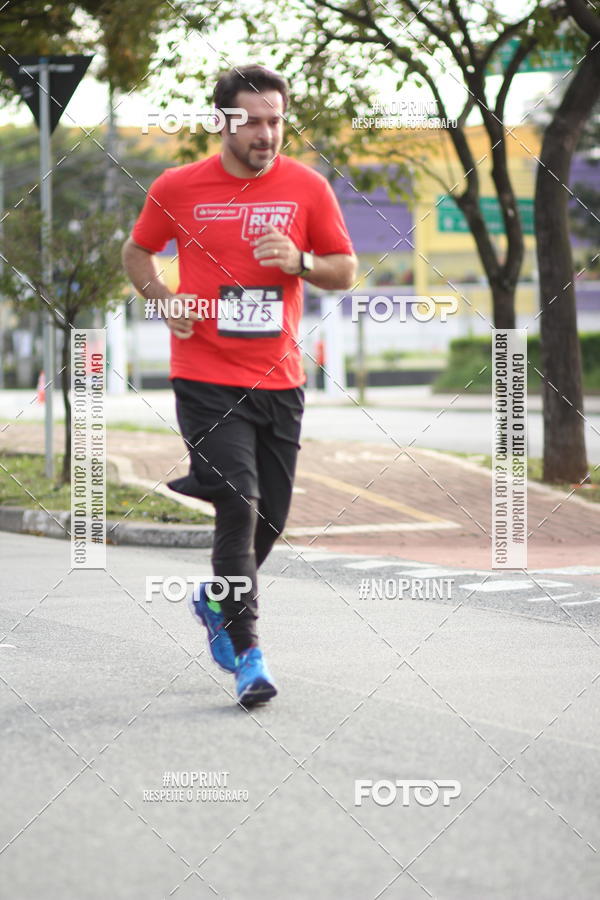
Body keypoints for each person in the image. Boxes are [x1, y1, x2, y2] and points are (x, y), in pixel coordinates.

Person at [122, 64, 356, 707]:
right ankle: (250, 652)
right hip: (203, 374)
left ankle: (213, 599)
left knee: (270, 518)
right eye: (251, 121)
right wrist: (162, 297)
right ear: (222, 121)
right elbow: (137, 251)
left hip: (280, 379)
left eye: (276, 120)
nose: (266, 133)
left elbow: (345, 269)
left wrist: (302, 262)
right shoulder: (179, 186)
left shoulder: (307, 188)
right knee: (240, 503)